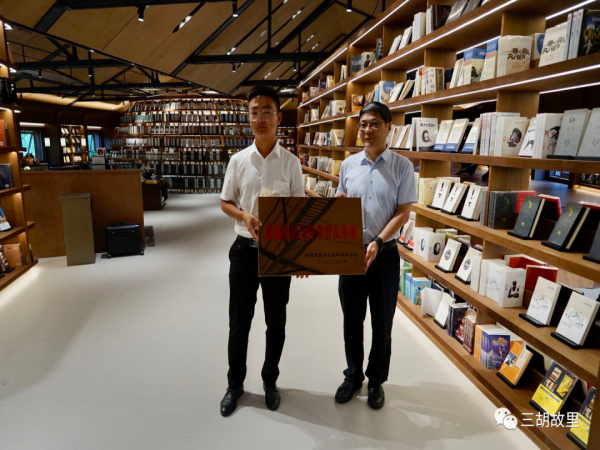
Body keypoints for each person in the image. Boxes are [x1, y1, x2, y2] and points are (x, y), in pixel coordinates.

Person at [219, 85, 305, 416]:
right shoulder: (238, 161)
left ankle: (270, 381)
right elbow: (225, 202)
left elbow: (298, 211)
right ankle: (234, 385)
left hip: (279, 252)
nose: (260, 118)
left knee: (276, 323)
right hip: (244, 250)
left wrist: (299, 255)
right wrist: (244, 216)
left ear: (279, 117)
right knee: (239, 323)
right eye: (255, 112)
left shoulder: (291, 163)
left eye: (267, 111)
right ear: (248, 117)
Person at [335, 102, 416, 409]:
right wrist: (339, 204)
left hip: (384, 256)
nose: (367, 130)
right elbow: (341, 201)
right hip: (351, 254)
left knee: (382, 323)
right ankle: (353, 375)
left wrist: (379, 242)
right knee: (351, 320)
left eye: (374, 124)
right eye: (363, 124)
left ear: (388, 128)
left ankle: (377, 381)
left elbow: (403, 212)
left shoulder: (401, 166)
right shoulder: (348, 165)